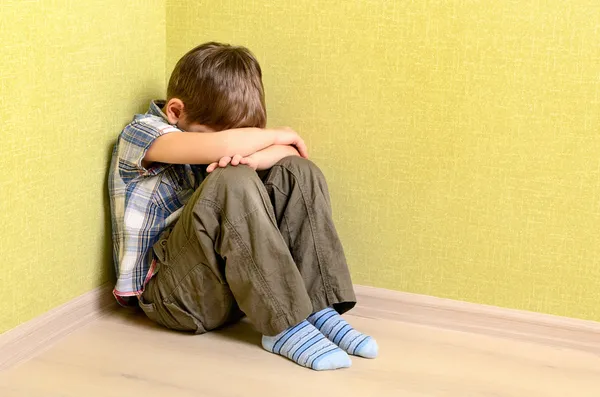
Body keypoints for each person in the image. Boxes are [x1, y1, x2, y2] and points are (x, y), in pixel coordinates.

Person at [108, 42, 378, 371]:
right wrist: (279, 134)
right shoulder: (142, 134)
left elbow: (292, 155)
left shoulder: (210, 131)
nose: (242, 143)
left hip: (228, 289)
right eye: (242, 135)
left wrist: (259, 155)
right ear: (176, 112)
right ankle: (283, 325)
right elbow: (227, 147)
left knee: (298, 172)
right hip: (172, 299)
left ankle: (317, 308)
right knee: (231, 179)